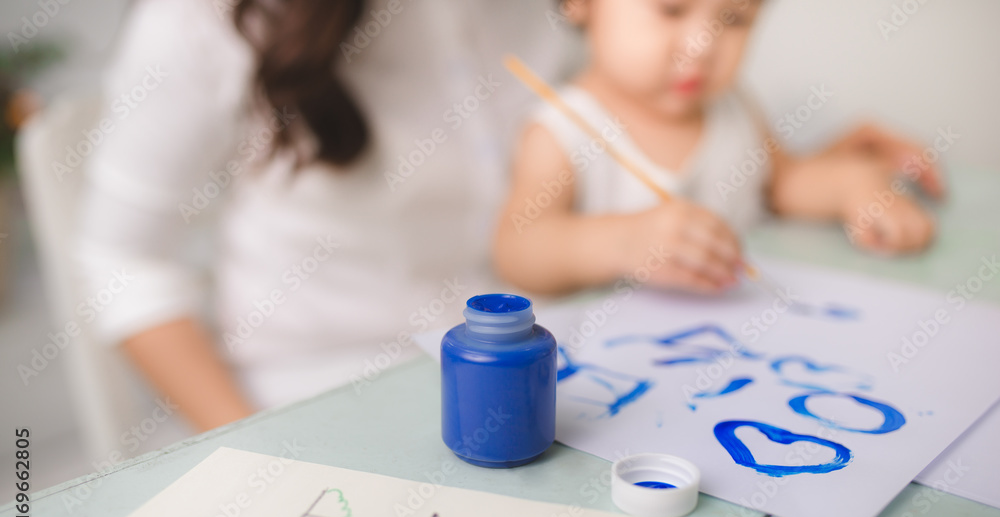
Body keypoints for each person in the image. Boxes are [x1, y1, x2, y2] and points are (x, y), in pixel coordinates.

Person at [74, 0, 578, 431]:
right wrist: (249, 447)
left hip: (548, 359)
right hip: (317, 396)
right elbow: (122, 259)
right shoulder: (201, 18)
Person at [494, 0, 944, 295]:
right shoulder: (562, 131)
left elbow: (782, 182)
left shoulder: (733, 108)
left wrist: (853, 186)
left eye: (734, 19)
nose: (702, 46)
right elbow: (517, 249)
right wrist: (624, 242)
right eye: (671, 9)